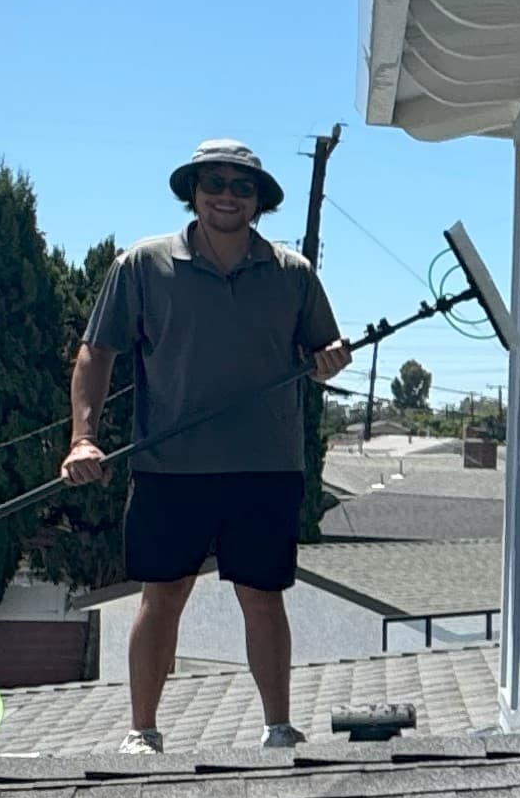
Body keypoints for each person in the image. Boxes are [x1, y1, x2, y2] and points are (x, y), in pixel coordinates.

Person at [64, 140, 353, 754]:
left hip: (265, 469)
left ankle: (280, 728)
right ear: (192, 191)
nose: (226, 193)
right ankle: (141, 732)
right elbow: (97, 352)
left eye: (241, 186)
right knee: (161, 596)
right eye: (213, 182)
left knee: (262, 597)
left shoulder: (292, 274)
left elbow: (323, 358)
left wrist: (330, 359)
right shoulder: (142, 265)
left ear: (259, 201)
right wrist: (83, 439)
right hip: (172, 467)